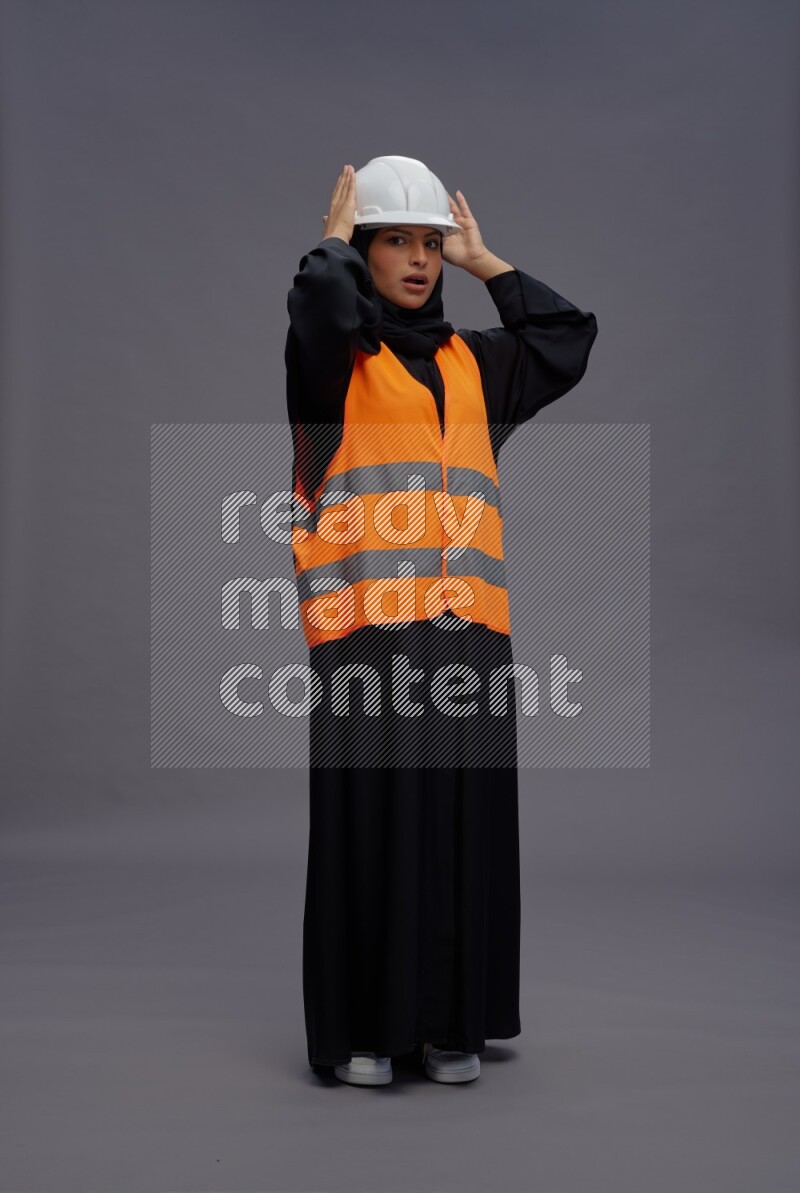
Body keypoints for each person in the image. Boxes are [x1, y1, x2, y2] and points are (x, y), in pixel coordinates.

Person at [285, 156, 598, 1086]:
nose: (418, 260)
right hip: (368, 638)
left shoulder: (476, 365)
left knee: (462, 828)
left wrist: (485, 262)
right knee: (376, 831)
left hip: (468, 637)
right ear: (365, 250)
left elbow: (567, 336)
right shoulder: (331, 369)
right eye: (398, 241)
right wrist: (331, 244)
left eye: (430, 243)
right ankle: (371, 1033)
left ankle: (451, 1026)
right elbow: (319, 311)